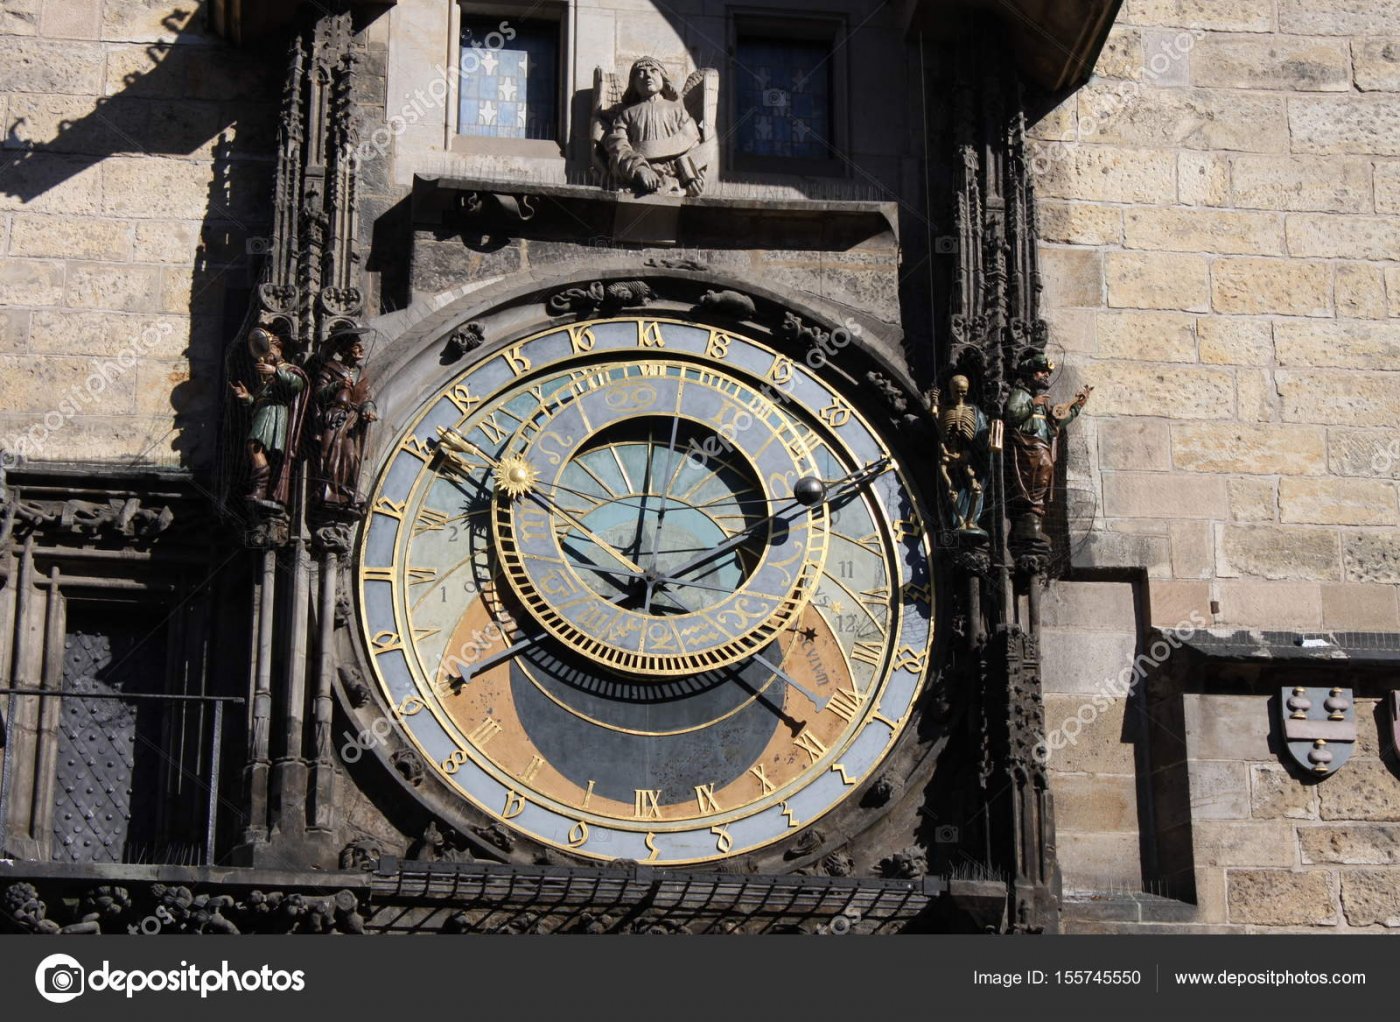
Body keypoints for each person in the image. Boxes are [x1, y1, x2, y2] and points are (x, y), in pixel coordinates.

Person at [1005, 352, 1091, 540]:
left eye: (1046, 373)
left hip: (1040, 444)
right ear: (1031, 374)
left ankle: (1035, 513)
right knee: (1043, 468)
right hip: (1027, 445)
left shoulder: (1043, 401)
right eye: (1041, 372)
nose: (1045, 375)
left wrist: (1077, 407)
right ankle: (1029, 515)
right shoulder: (1021, 394)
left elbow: (1054, 423)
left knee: (1045, 472)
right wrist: (1031, 404)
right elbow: (1011, 415)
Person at [602, 57, 705, 197]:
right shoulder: (627, 114)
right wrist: (640, 169)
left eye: (654, 71)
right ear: (633, 83)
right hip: (638, 178)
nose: (648, 75)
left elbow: (692, 143)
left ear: (663, 79)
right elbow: (617, 146)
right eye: (641, 72)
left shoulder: (677, 111)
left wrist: (692, 178)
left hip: (673, 178)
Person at [229, 326, 306, 505]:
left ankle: (261, 488)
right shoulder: (265, 380)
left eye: (271, 352)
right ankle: (261, 488)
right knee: (255, 447)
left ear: (279, 351)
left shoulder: (289, 369)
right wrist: (246, 397)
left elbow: (298, 384)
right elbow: (257, 401)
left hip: (275, 413)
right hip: (264, 413)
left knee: (254, 446)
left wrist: (275, 372)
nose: (267, 356)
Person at [313, 327, 377, 508]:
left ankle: (349, 493)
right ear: (346, 349)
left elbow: (367, 398)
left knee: (350, 455)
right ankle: (328, 492)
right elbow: (319, 394)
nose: (361, 350)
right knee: (329, 453)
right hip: (334, 417)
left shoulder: (361, 373)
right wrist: (337, 386)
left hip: (353, 421)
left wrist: (369, 409)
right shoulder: (330, 368)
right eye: (357, 346)